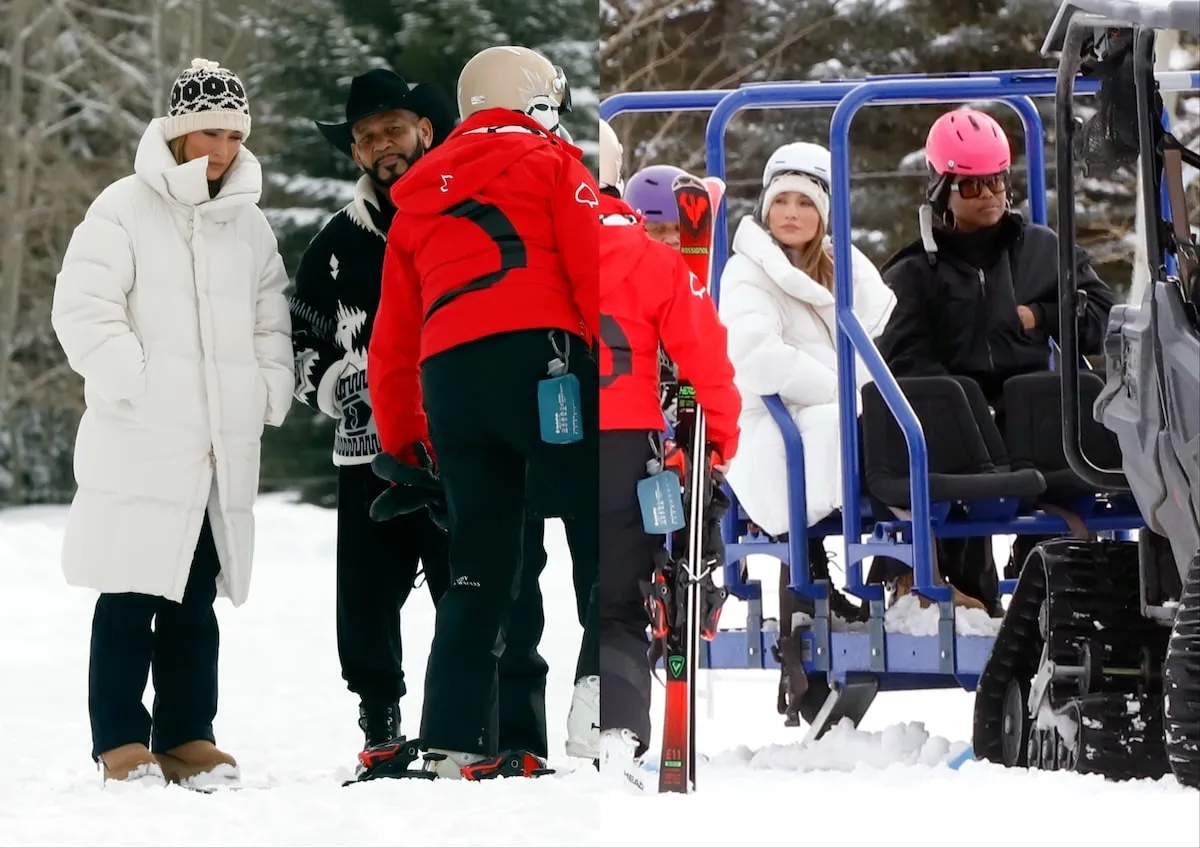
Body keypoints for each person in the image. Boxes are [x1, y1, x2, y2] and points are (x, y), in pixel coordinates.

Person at [50, 58, 293, 788]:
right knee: (129, 591)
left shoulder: (250, 227)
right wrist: (138, 384)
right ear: (177, 133)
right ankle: (121, 741)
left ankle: (188, 736)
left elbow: (269, 321)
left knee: (194, 597)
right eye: (205, 133)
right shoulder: (122, 207)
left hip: (216, 450)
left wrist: (266, 389)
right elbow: (83, 309)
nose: (218, 148)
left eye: (230, 134)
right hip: (141, 437)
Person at [366, 45, 599, 780]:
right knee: (601, 526)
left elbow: (392, 337)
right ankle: (604, 703)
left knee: (479, 559)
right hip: (544, 361)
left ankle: (455, 732)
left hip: (450, 379)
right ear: (538, 102)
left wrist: (404, 437)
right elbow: (594, 269)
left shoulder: (412, 202)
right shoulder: (555, 163)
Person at [875, 108, 1115, 612]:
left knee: (1067, 421)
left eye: (996, 182)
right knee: (951, 437)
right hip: (956, 416)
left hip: (1026, 411)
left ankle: (1055, 580)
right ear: (942, 190)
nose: (987, 195)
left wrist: (1041, 316)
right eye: (971, 186)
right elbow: (904, 354)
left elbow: (1101, 317)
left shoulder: (1043, 250)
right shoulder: (915, 270)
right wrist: (960, 404)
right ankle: (962, 597)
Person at [288, 68, 459, 768]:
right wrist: (336, 384)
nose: (382, 146)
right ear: (355, 153)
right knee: (365, 597)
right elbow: (300, 342)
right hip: (367, 449)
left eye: (392, 130)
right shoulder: (332, 245)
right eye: (366, 138)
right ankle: (379, 719)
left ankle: (463, 715)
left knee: (467, 584)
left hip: (455, 439)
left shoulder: (464, 215)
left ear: (425, 131)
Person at [716, 141, 896, 723]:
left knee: (910, 422)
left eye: (805, 203)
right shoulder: (747, 271)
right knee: (862, 427)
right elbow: (756, 358)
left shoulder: (843, 267)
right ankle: (812, 605)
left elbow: (876, 339)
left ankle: (905, 575)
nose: (791, 214)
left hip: (826, 409)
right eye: (781, 202)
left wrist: (858, 390)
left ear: (823, 213)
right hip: (770, 421)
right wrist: (844, 390)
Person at [595, 120, 742, 777]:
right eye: (652, 226)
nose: (664, 241)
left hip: (629, 446)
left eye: (675, 232)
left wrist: (706, 451)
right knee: (616, 596)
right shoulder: (652, 269)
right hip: (632, 443)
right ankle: (614, 725)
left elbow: (706, 370)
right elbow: (707, 366)